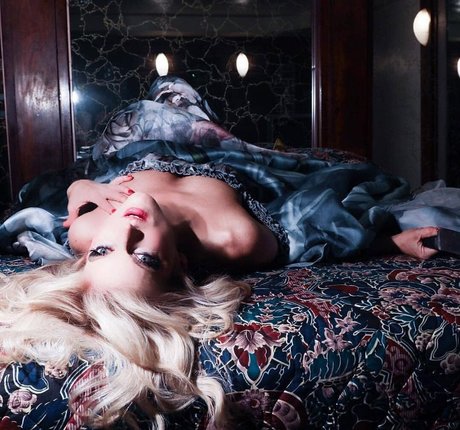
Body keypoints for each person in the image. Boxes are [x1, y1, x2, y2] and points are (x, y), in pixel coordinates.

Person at [0, 75, 446, 429]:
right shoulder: (239, 239)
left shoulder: (86, 230)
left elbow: (65, 188)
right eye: (144, 258)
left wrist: (86, 187)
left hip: (132, 145)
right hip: (223, 156)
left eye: (103, 251)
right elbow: (314, 234)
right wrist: (390, 242)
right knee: (343, 168)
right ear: (179, 264)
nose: (127, 229)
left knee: (159, 96)